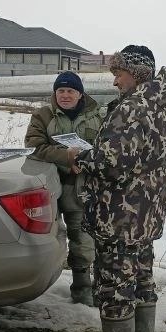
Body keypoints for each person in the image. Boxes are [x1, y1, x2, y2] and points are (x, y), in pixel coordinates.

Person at [68, 45, 166, 332]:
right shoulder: (163, 106)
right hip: (146, 214)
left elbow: (112, 163)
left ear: (137, 73)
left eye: (119, 73)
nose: (115, 81)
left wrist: (80, 157)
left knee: (115, 283)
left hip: (119, 217)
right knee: (142, 280)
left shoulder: (131, 108)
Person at [24, 72, 102, 305]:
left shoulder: (98, 115)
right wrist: (65, 156)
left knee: (83, 238)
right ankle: (31, 281)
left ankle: (82, 287)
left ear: (80, 94)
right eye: (60, 91)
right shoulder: (43, 114)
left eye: (70, 91)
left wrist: (88, 161)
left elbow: (107, 147)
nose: (65, 95)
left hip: (83, 189)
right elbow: (34, 146)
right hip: (49, 188)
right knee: (49, 237)